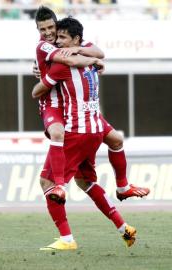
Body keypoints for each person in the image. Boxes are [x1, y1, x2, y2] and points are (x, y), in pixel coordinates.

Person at [32, 17, 137, 251]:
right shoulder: (77, 56)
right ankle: (124, 226)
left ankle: (67, 238)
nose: (54, 38)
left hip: (74, 125)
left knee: (47, 180)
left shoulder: (64, 62)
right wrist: (93, 60)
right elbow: (97, 55)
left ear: (75, 39)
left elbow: (36, 91)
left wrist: (44, 78)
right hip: (94, 128)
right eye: (48, 32)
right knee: (86, 180)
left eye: (59, 34)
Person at [33, 6, 149, 204]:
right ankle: (59, 185)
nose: (48, 33)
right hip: (54, 103)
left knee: (116, 140)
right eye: (42, 30)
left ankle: (122, 187)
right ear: (38, 30)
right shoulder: (45, 46)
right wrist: (93, 60)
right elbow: (66, 61)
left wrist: (83, 51)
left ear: (57, 24)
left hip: (83, 109)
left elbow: (99, 52)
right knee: (57, 133)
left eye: (51, 28)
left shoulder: (70, 38)